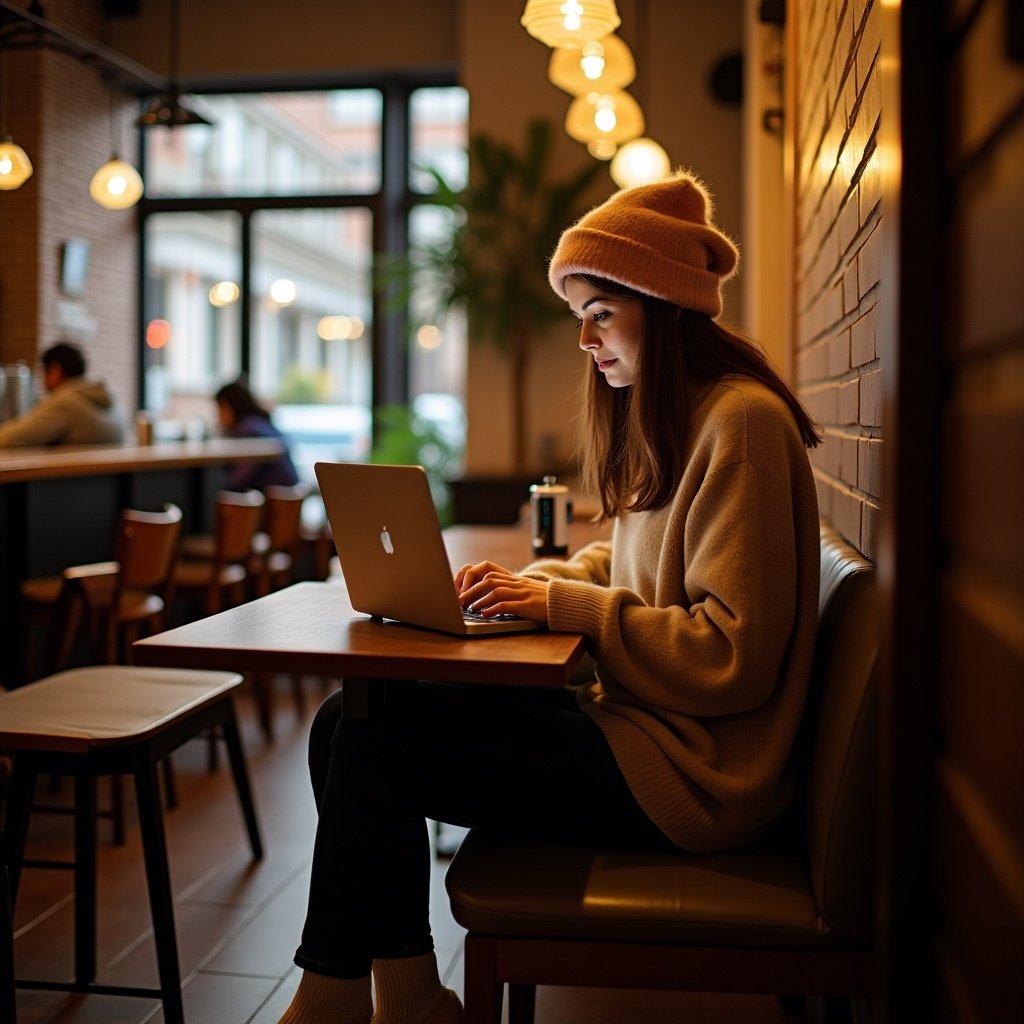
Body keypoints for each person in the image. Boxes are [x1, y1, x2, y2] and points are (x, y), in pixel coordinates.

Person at [277, 172, 822, 1024]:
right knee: (345, 721)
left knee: (372, 744)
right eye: (582, 318)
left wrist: (563, 610)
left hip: (693, 781)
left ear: (663, 306)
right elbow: (628, 566)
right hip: (642, 733)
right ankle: (406, 996)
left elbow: (731, 657)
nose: (585, 341)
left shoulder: (741, 423)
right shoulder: (687, 415)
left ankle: (341, 1001)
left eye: (601, 313)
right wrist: (538, 587)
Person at [0, 342, 126, 446]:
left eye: (43, 374)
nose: (42, 383)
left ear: (55, 371)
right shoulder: (110, 398)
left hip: (76, 475)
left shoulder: (67, 401)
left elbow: (11, 438)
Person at [214, 379, 299, 491]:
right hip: (288, 492)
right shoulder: (258, 423)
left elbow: (238, 479)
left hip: (277, 498)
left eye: (220, 409)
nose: (218, 416)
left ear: (231, 407)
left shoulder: (249, 429)